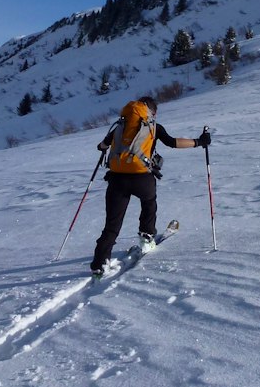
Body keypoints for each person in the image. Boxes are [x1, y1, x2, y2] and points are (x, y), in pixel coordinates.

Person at [90, 96, 211, 276]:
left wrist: (105, 147)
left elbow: (101, 146)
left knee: (112, 224)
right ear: (152, 112)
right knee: (149, 203)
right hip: (142, 178)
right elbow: (172, 142)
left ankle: (100, 263)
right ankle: (146, 237)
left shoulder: (120, 126)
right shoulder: (153, 126)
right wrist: (199, 142)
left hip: (116, 180)